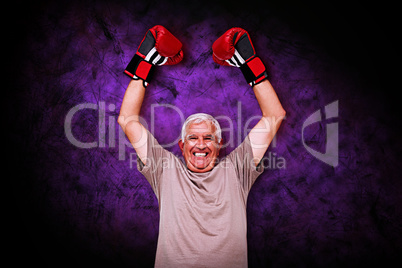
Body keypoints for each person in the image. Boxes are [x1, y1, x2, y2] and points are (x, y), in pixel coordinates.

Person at [118, 25, 286, 268]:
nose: (200, 144)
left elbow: (274, 115)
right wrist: (145, 61)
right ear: (181, 145)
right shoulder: (164, 169)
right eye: (193, 138)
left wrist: (248, 62)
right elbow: (127, 120)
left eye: (208, 138)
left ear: (219, 145)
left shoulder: (238, 169)